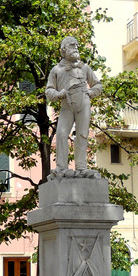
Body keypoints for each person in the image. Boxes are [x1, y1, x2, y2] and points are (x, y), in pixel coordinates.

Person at [45, 36, 102, 177]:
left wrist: (90, 92)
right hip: (66, 106)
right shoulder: (56, 70)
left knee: (82, 135)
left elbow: (98, 85)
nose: (76, 47)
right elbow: (48, 91)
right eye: (72, 45)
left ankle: (81, 167)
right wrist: (59, 94)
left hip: (84, 103)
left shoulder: (85, 68)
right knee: (61, 134)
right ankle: (61, 168)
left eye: (77, 45)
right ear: (64, 50)